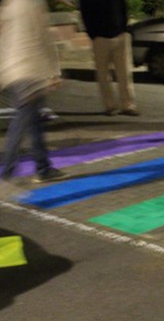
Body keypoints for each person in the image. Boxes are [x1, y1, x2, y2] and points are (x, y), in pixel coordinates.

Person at [0, 0, 67, 193]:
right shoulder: (33, 3)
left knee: (33, 121)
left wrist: (4, 72)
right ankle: (8, 174)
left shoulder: (8, 7)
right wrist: (54, 71)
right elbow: (44, 38)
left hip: (14, 72)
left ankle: (43, 168)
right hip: (30, 70)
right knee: (21, 121)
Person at [79, 0, 140, 116]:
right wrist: (93, 34)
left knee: (125, 73)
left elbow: (123, 8)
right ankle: (110, 106)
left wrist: (125, 30)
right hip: (100, 37)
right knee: (103, 74)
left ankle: (128, 105)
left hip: (120, 35)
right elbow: (85, 13)